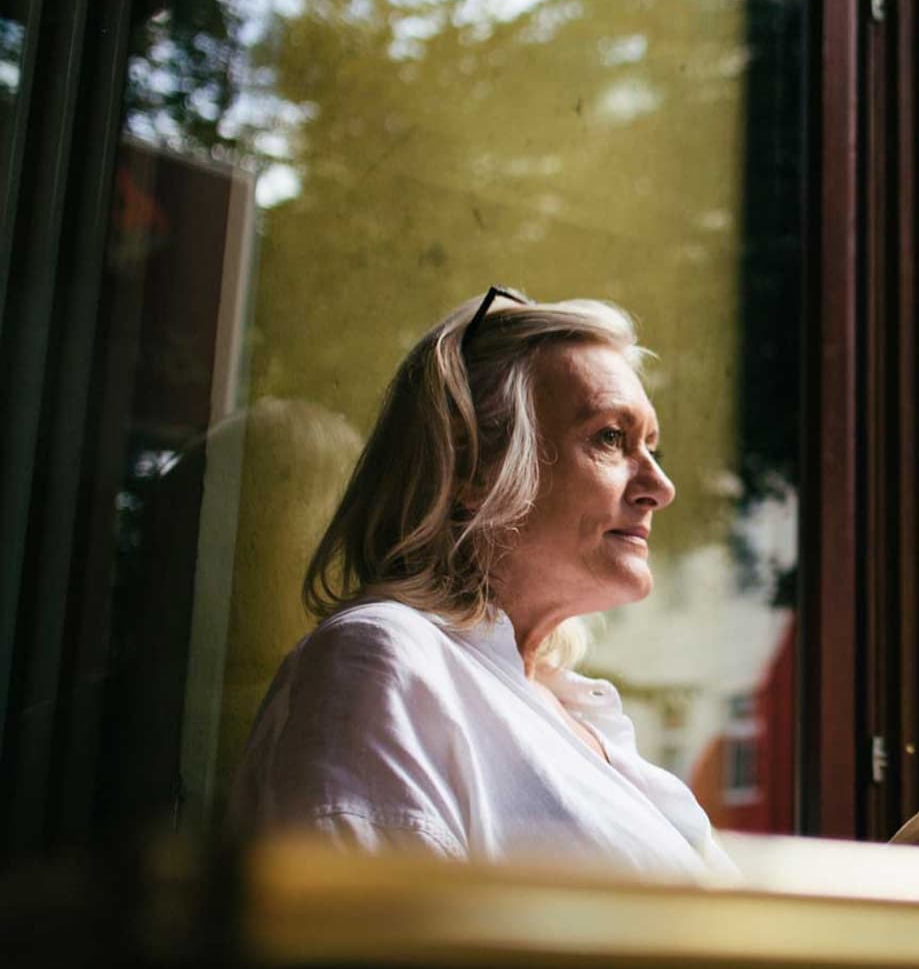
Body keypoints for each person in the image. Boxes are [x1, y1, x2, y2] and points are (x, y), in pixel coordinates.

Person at [230, 289, 733, 877]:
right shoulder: (384, 660)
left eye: (651, 446)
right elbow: (372, 955)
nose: (660, 485)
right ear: (472, 467)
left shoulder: (574, 707)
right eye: (609, 438)